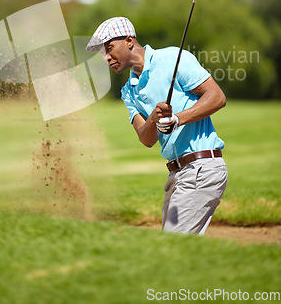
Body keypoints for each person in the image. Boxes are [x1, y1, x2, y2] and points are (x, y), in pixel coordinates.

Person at [86, 17, 228, 235]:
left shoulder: (173, 58)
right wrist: (153, 118)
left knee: (173, 247)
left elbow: (217, 96)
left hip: (201, 169)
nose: (106, 57)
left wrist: (178, 119)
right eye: (102, 53)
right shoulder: (128, 91)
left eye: (109, 48)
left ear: (129, 41)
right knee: (171, 248)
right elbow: (146, 139)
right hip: (177, 175)